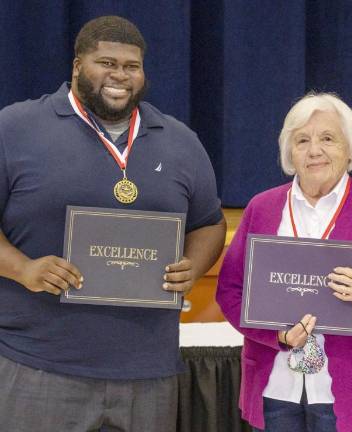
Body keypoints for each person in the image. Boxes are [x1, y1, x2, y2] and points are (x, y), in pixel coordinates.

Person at [0, 16, 226, 431]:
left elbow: (209, 224)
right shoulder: (14, 128)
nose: (119, 75)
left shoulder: (180, 140)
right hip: (38, 364)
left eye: (131, 66)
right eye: (106, 62)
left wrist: (193, 266)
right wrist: (24, 269)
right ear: (76, 66)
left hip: (148, 373)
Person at [216, 92, 352, 432]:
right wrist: (278, 336)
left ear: (350, 148)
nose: (314, 150)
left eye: (328, 138)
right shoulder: (262, 208)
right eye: (302, 140)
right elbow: (230, 292)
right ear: (289, 151)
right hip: (275, 388)